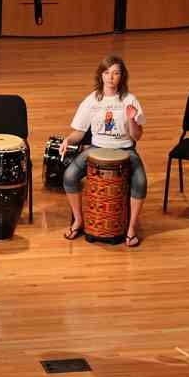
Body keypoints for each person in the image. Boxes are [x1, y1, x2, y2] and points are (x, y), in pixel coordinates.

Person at [58, 55, 147, 247]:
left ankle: (131, 229)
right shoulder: (92, 100)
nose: (110, 77)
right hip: (97, 148)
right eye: (107, 73)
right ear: (101, 75)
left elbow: (137, 136)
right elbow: (80, 132)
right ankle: (79, 220)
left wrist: (131, 119)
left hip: (125, 149)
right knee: (69, 176)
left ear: (122, 77)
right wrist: (67, 140)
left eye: (116, 73)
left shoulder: (130, 100)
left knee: (140, 182)